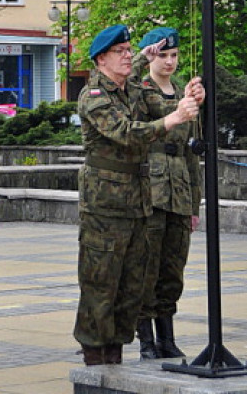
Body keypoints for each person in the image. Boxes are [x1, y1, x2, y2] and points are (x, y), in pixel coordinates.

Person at [73, 23, 204, 367]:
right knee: (101, 283)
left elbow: (158, 100)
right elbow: (126, 132)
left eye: (130, 50)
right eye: (121, 52)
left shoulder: (130, 90)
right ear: (101, 59)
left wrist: (189, 99)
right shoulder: (94, 96)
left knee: (131, 285)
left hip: (137, 199)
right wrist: (175, 117)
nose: (128, 56)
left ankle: (115, 354)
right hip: (104, 202)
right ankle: (95, 358)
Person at [132, 27, 202, 360]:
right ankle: (145, 340)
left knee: (173, 268)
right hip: (151, 190)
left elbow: (191, 153)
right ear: (150, 55)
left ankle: (167, 337)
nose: (170, 62)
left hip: (179, 191)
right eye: (163, 55)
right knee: (147, 266)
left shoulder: (183, 94)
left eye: (174, 55)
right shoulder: (140, 90)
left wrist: (194, 204)